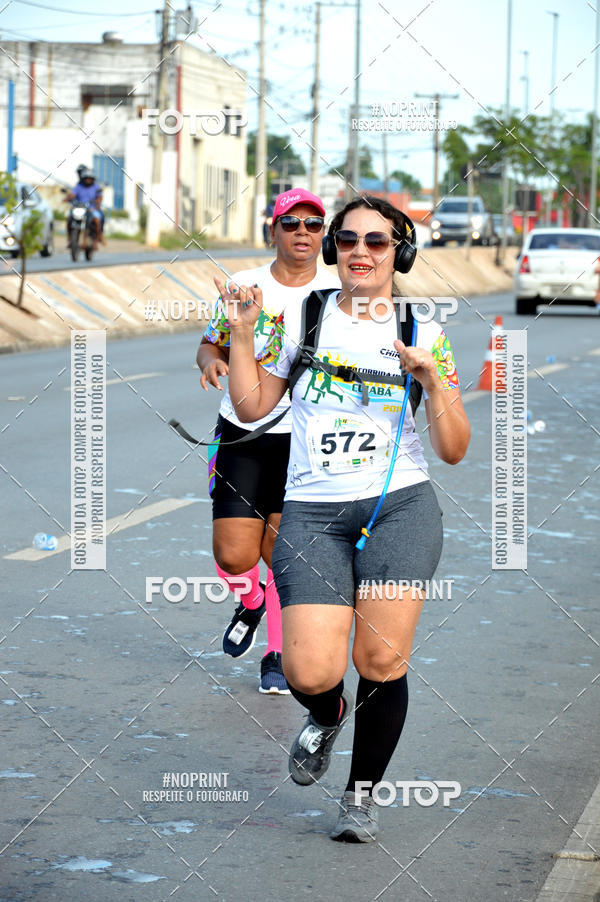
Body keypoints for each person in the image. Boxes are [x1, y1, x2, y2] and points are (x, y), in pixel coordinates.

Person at [221, 194, 470, 841]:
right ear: (334, 248)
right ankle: (328, 713)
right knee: (309, 671)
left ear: (401, 252)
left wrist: (434, 383)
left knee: (381, 660)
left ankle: (358, 799)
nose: (361, 251)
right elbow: (252, 408)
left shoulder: (425, 334)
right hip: (312, 511)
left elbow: (453, 449)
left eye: (378, 242)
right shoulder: (303, 318)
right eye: (349, 239)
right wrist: (243, 336)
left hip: (400, 509)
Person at [197, 188, 340, 694]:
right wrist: (213, 361)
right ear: (272, 230)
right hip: (241, 434)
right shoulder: (244, 284)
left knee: (284, 554)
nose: (303, 232)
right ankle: (250, 599)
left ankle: (276, 654)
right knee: (235, 555)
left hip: (303, 439)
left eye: (313, 224)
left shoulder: (337, 292)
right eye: (291, 223)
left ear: (324, 235)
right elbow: (210, 341)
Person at [65, 167, 105, 249]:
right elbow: (72, 194)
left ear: (92, 179)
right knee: (69, 218)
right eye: (86, 178)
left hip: (91, 209)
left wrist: (97, 204)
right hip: (80, 209)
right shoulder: (79, 187)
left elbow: (99, 197)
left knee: (97, 221)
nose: (88, 180)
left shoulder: (96, 187)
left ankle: (96, 241)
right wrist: (67, 198)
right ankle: (70, 239)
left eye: (89, 178)